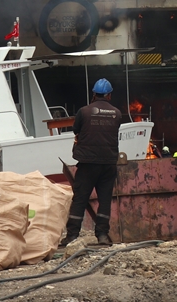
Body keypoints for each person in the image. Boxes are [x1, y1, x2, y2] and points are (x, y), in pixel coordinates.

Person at [63, 78, 122, 247]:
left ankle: (72, 236)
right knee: (104, 200)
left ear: (94, 94)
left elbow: (76, 130)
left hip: (88, 163)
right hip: (108, 164)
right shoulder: (117, 113)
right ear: (109, 95)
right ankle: (102, 235)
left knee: (80, 199)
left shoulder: (84, 111)